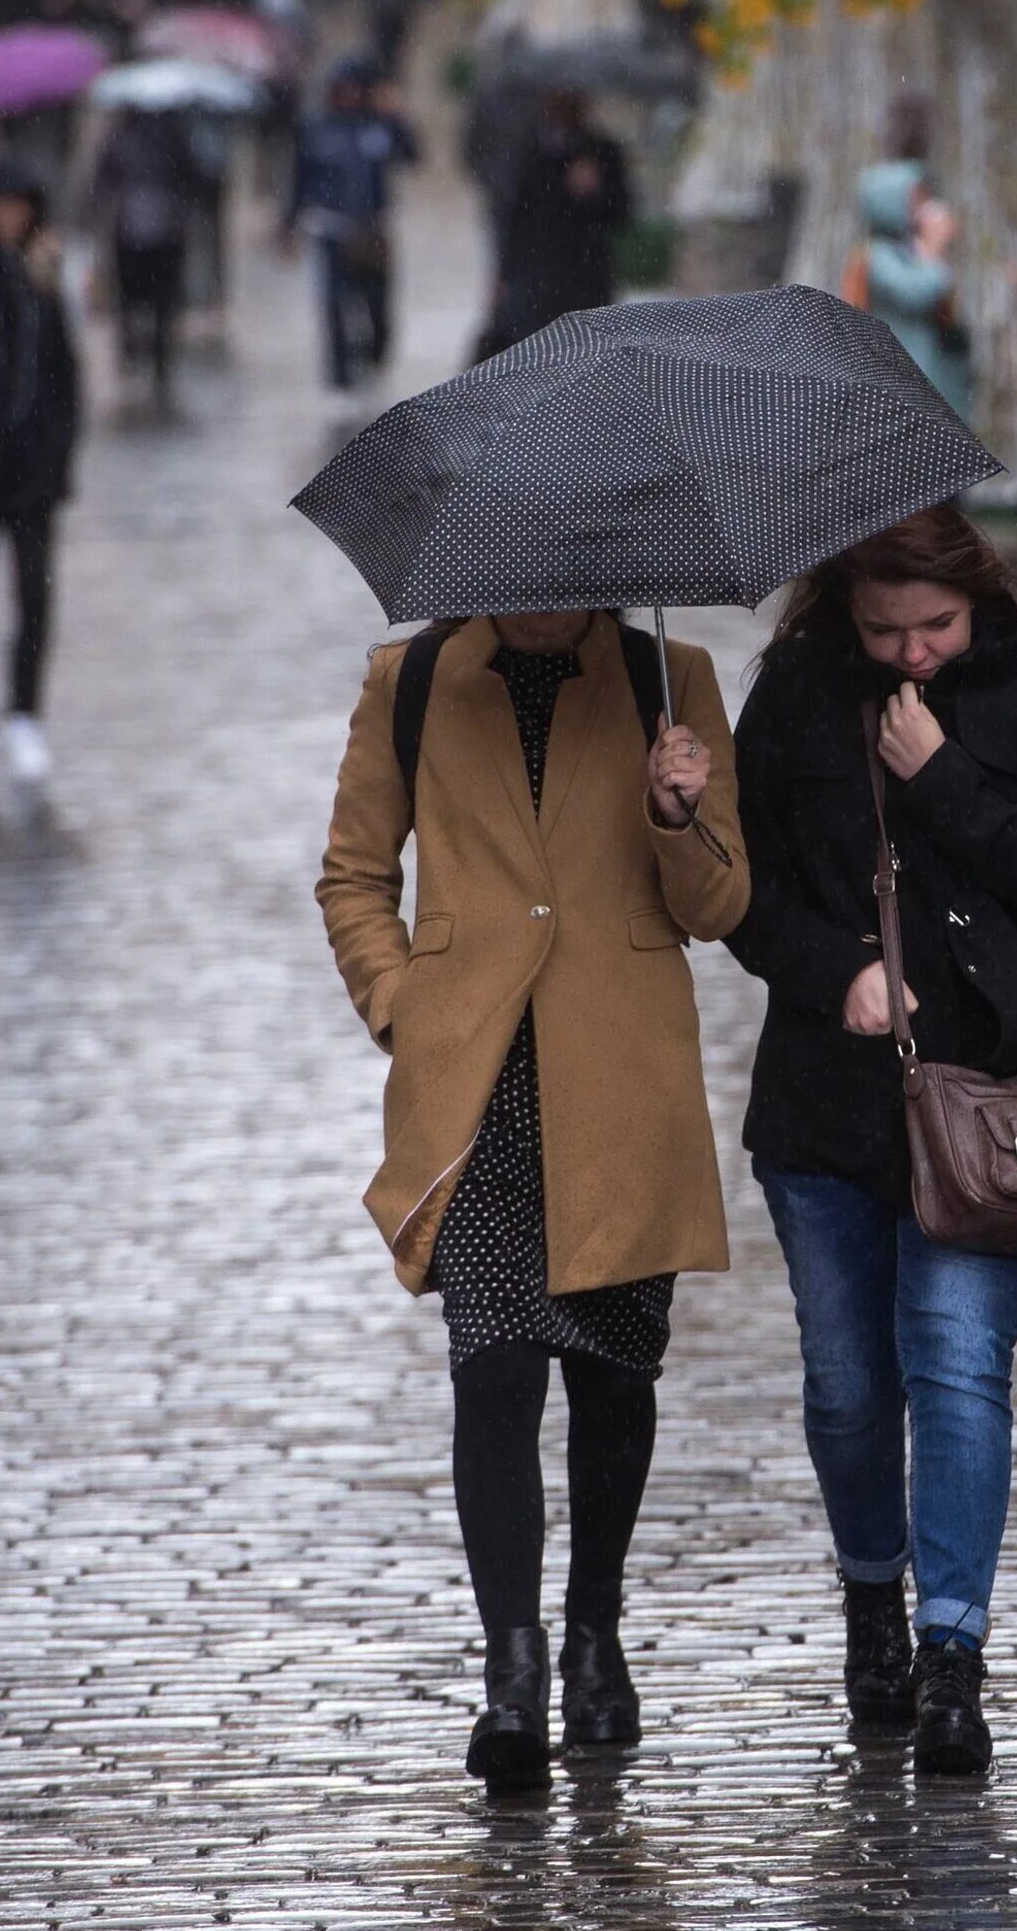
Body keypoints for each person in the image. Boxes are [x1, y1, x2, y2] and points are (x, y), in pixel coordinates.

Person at [316, 610, 750, 1789]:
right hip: (476, 1086)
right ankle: (512, 1667)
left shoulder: (673, 676)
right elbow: (354, 874)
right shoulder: (410, 681)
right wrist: (406, 1008)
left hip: (621, 1077)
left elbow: (720, 907)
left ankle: (593, 1633)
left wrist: (678, 814)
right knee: (494, 1369)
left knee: (615, 1375)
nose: (554, 595)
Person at [724, 506, 1017, 1775]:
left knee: (955, 1368)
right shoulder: (796, 692)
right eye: (883, 629)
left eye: (933, 626)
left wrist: (940, 773)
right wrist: (834, 970)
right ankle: (872, 1602)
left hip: (984, 1101)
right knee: (846, 1384)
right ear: (843, 611)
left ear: (975, 601)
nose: (911, 653)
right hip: (827, 1105)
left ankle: (953, 1655)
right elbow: (743, 896)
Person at [0, 159, 79, 792]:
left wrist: (60, 451)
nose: (9, 217)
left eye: (18, 204)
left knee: (35, 593)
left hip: (33, 471)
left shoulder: (41, 275)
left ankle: (23, 714)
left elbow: (63, 372)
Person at [282, 60, 421, 399]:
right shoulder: (316, 127)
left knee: (377, 305)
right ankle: (340, 378)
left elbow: (413, 156)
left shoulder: (378, 125)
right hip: (331, 229)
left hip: (373, 230)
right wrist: (288, 226)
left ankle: (373, 360)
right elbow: (299, 181)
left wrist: (396, 114)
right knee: (334, 305)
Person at [490, 89, 632, 351]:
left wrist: (594, 192)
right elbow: (515, 217)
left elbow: (622, 215)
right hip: (537, 282)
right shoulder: (530, 151)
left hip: (586, 279)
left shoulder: (602, 151)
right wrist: (503, 274)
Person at [86, 106, 202, 403]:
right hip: (165, 232)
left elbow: (100, 185)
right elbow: (194, 178)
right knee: (163, 301)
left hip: (131, 233)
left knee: (130, 298)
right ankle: (158, 359)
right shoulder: (175, 140)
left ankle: (131, 352)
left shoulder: (119, 140)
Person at [849, 162, 970, 421]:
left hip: (930, 372)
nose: (923, 208)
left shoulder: (907, 250)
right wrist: (933, 250)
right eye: (915, 199)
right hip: (906, 373)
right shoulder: (879, 257)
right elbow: (918, 291)